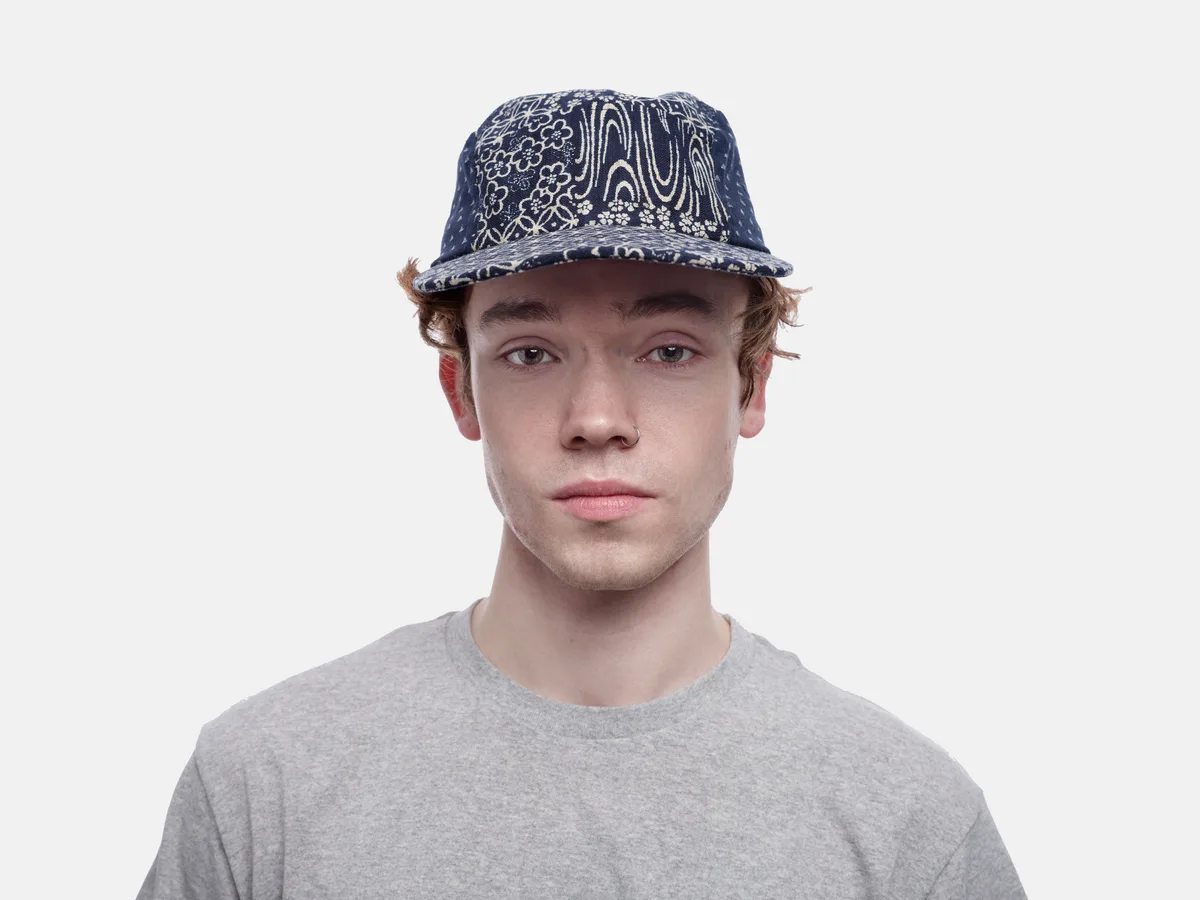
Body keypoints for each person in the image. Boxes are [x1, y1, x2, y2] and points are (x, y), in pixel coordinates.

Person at [136, 88, 1027, 899]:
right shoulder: (265, 787)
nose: (598, 419)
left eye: (669, 350)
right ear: (462, 393)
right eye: (531, 353)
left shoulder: (908, 825)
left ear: (752, 386)